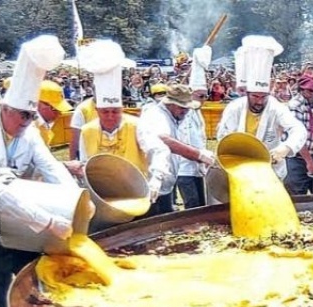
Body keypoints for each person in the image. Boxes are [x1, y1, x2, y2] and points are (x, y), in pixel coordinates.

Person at [0, 35, 78, 307]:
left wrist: (76, 200)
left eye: (31, 117)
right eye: (22, 117)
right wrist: (49, 220)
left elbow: (50, 166)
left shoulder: (29, 131)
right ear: (5, 109)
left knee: (32, 269)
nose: (27, 123)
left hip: (18, 216)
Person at [70, 40, 174, 216]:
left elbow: (159, 150)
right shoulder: (87, 131)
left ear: (122, 109)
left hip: (139, 194)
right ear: (97, 111)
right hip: (105, 198)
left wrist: (156, 179)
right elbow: (86, 164)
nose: (110, 116)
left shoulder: (136, 124)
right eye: (105, 112)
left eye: (115, 111)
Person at [216, 36, 306, 181]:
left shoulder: (275, 107)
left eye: (263, 97)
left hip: (270, 172)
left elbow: (298, 129)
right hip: (239, 169)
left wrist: (286, 148)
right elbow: (223, 136)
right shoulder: (234, 108)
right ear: (247, 93)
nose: (259, 101)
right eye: (255, 96)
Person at [140, 84, 214, 215]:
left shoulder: (173, 117)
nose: (185, 111)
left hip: (165, 184)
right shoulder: (157, 115)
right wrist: (199, 155)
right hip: (152, 183)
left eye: (187, 108)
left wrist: (198, 159)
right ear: (170, 104)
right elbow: (165, 140)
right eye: (181, 108)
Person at [176, 45, 213, 209]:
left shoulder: (197, 112)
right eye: (200, 96)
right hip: (184, 170)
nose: (203, 99)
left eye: (205, 96)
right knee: (193, 209)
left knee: (202, 207)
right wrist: (201, 156)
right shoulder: (183, 113)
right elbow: (185, 142)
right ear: (190, 94)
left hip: (197, 169)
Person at [35, 80, 73, 146]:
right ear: (39, 104)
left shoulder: (42, 126)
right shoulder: (30, 130)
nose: (59, 113)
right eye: (54, 108)